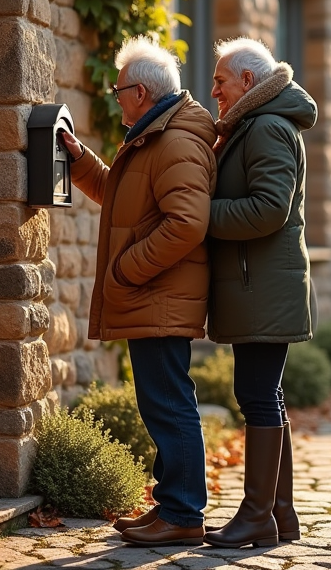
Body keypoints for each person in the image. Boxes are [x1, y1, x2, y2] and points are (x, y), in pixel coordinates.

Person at [59, 36, 216, 547]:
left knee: (169, 403)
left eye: (119, 89)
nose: (114, 97)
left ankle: (184, 514)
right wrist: (80, 160)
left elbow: (187, 223)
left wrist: (126, 269)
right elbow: (123, 200)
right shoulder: (155, 136)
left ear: (142, 92)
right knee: (160, 402)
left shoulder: (175, 140)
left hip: (159, 296)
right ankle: (171, 505)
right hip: (155, 296)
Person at [202, 37, 318, 549]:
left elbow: (270, 208)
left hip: (265, 285)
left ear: (248, 81)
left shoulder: (267, 126)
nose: (214, 90)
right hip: (263, 283)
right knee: (263, 395)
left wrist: (198, 217)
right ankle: (279, 515)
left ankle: (256, 516)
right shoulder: (257, 123)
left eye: (221, 81)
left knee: (256, 397)